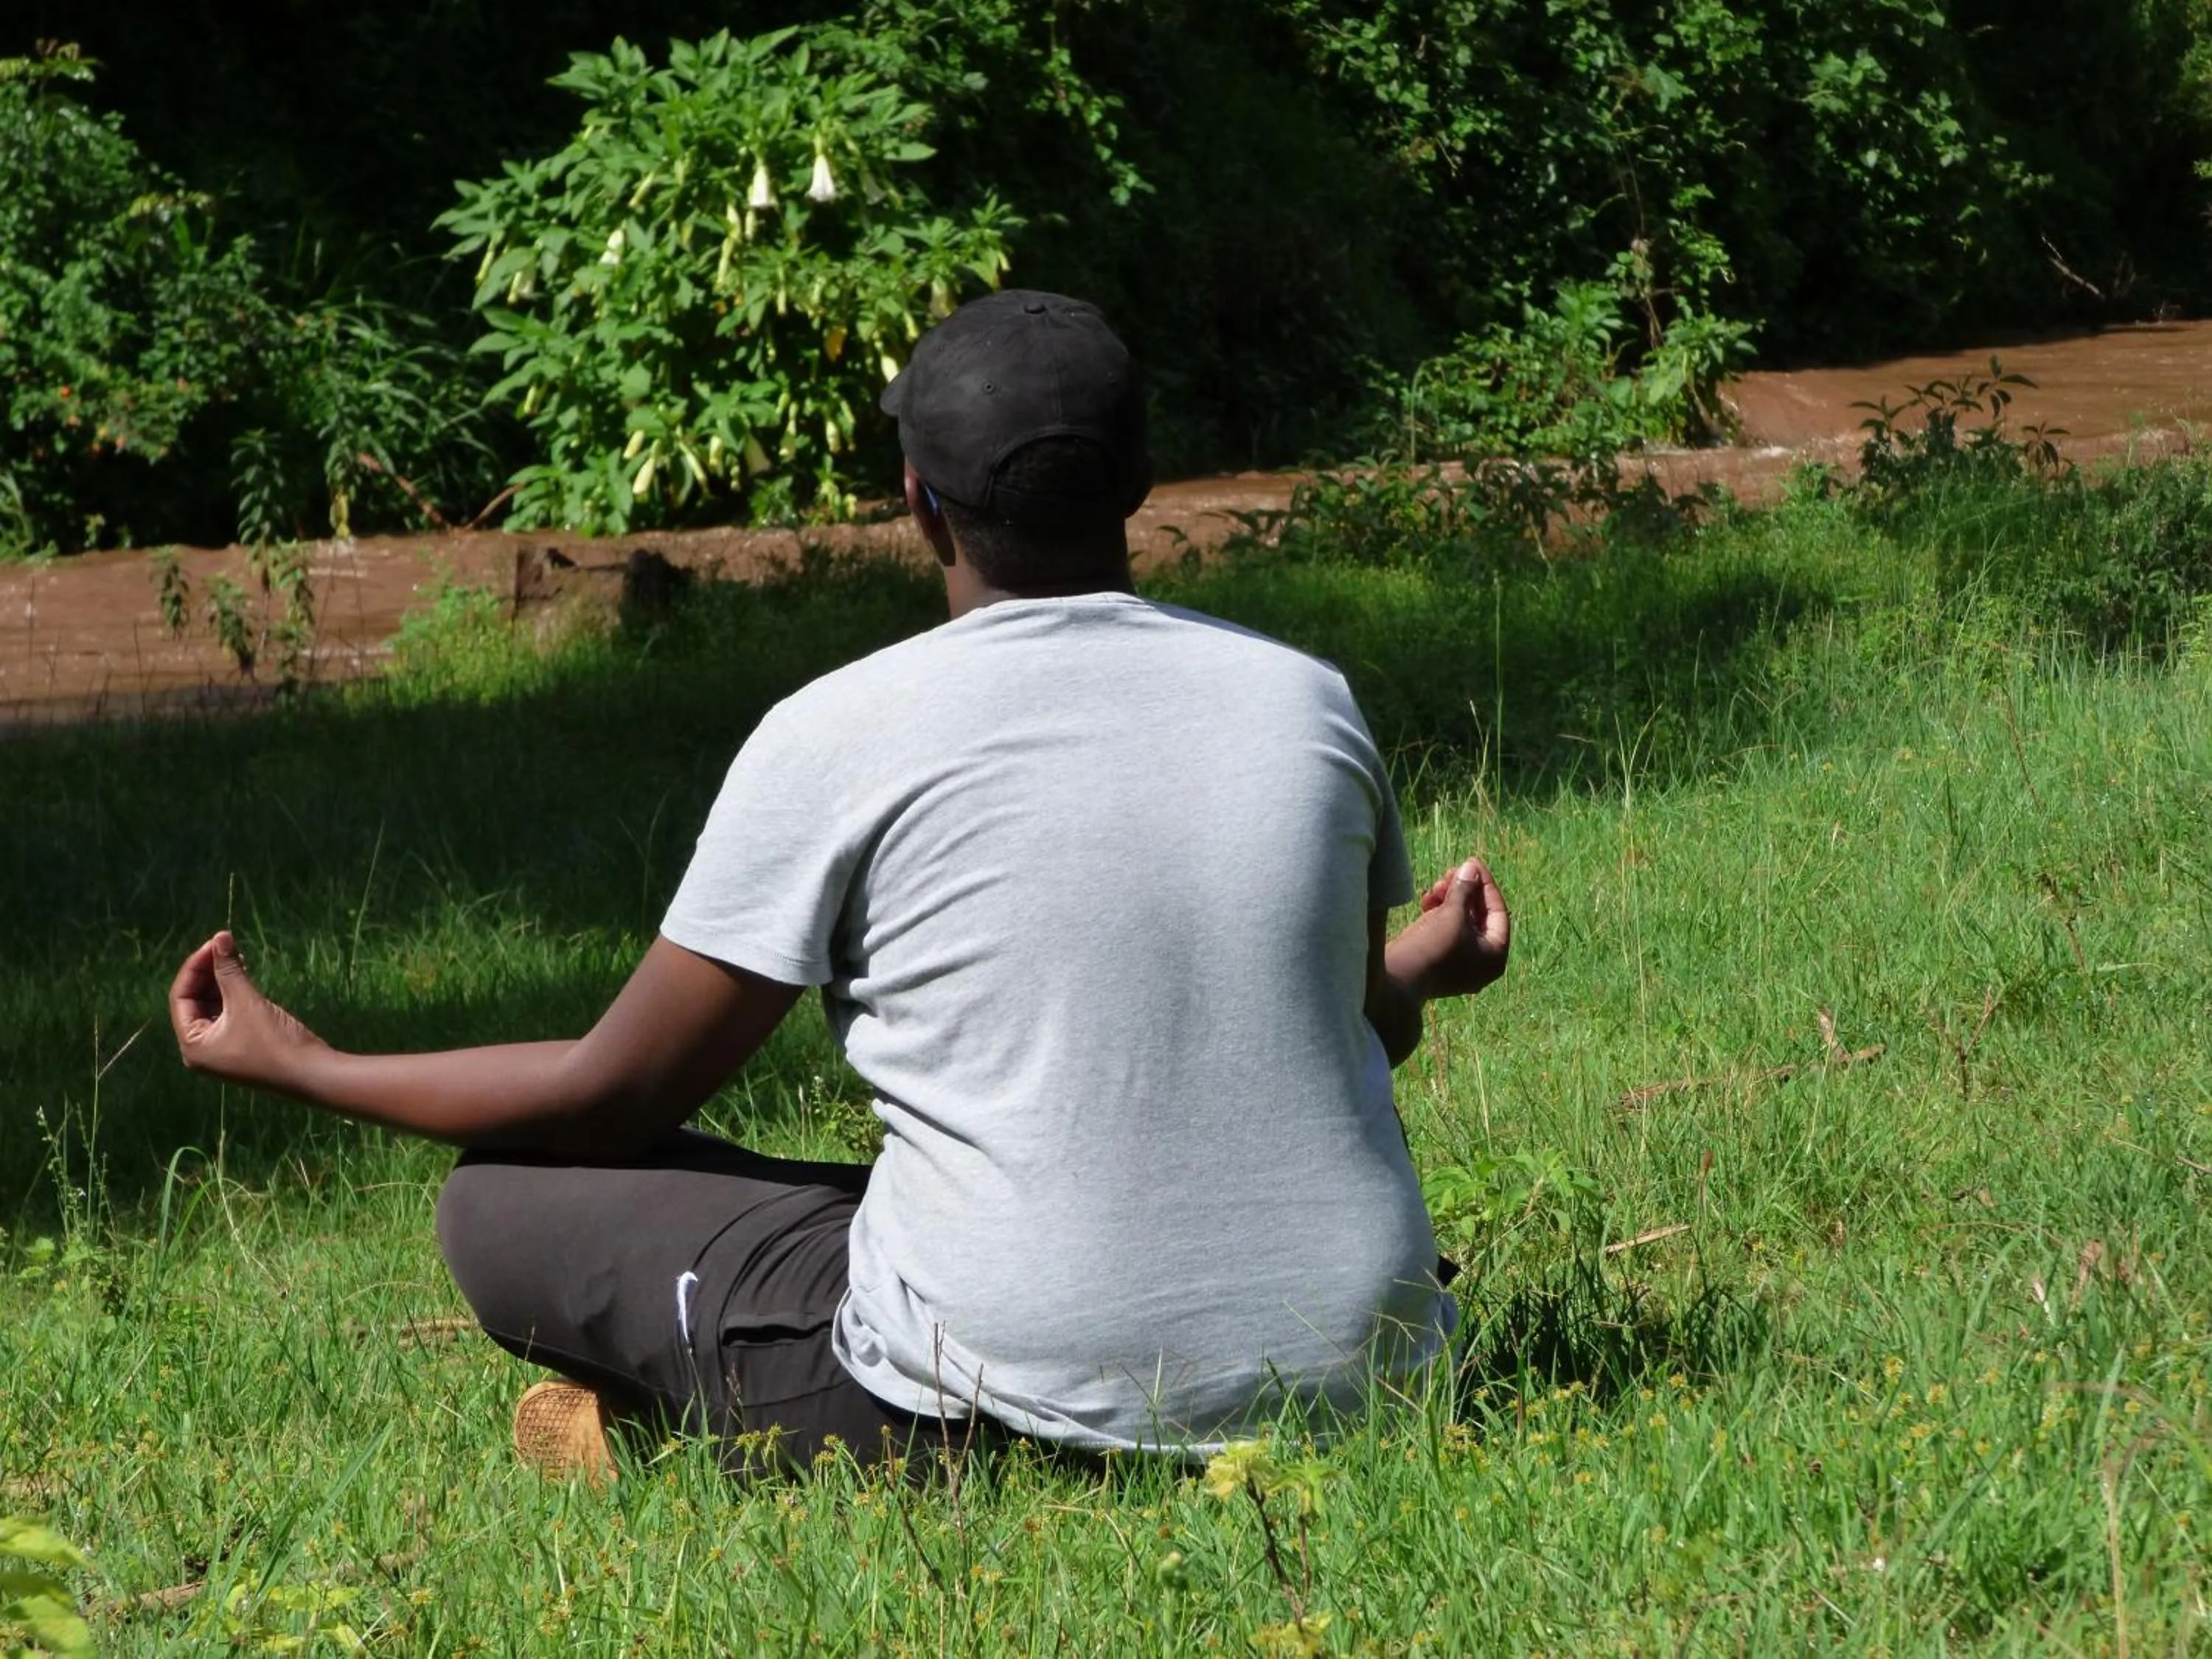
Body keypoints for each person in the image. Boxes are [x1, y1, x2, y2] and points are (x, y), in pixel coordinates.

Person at [167, 289, 1511, 1478]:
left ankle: (697, 1419)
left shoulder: (841, 730)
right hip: (1364, 1365)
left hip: (985, 1401)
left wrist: (310, 1062)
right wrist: (1420, 969)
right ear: (1142, 484)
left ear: (917, 496)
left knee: (499, 1201)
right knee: (889, 1189)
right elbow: (1347, 1032)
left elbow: (614, 1094)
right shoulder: (1304, 702)